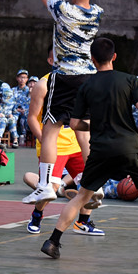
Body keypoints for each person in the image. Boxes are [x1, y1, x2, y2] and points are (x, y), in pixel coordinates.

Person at [41, 38, 138, 259]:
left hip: (100, 150)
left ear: (92, 59)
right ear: (114, 57)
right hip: (129, 146)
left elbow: (74, 124)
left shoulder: (86, 86)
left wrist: (95, 125)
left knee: (81, 197)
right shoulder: (130, 80)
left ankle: (53, 241)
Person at [24, 0, 103, 205]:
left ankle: (45, 185)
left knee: (50, 130)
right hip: (88, 77)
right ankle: (93, 185)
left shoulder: (63, 10)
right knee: (84, 134)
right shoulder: (97, 13)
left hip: (65, 76)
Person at [25, 46, 102, 235]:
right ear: (51, 61)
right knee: (50, 187)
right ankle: (37, 215)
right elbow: (32, 118)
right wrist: (44, 140)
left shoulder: (81, 82)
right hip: (54, 146)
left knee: (89, 183)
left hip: (76, 144)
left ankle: (83, 222)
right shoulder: (43, 84)